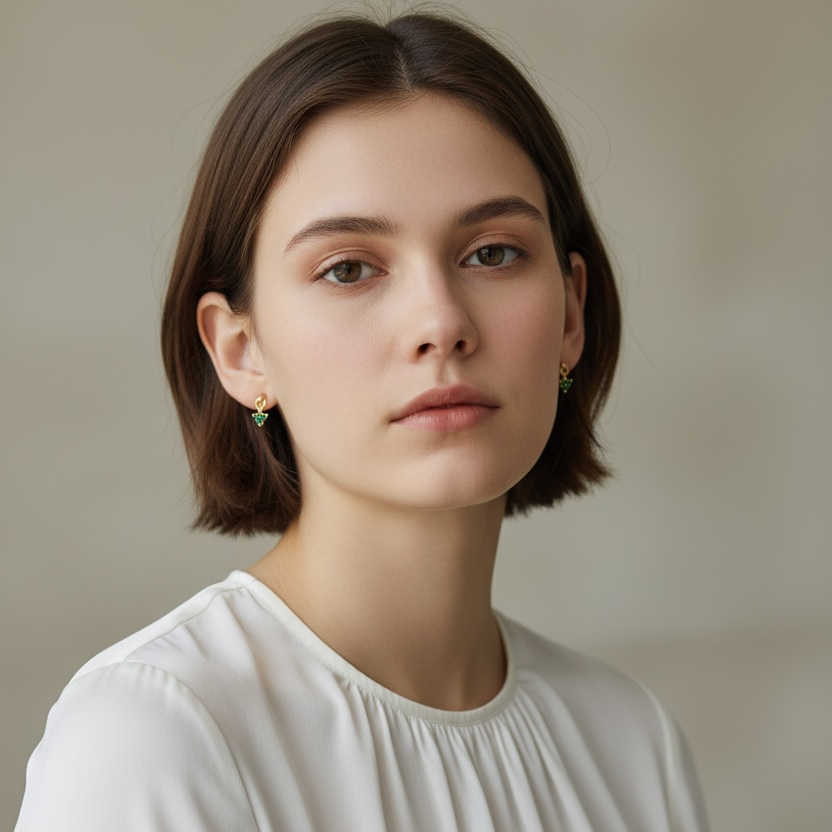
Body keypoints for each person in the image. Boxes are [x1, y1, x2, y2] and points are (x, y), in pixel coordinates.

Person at [16, 11, 709, 831]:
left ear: (570, 315)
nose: (440, 322)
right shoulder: (157, 734)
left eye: (492, 252)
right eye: (348, 268)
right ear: (240, 351)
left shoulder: (630, 743)